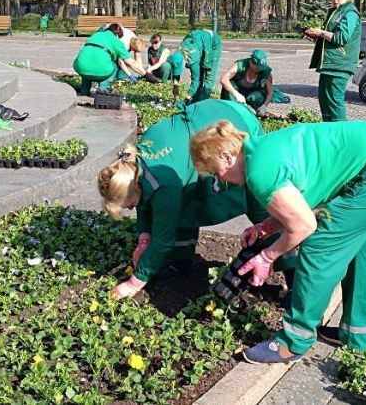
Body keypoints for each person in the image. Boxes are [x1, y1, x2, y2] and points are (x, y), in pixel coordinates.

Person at [190, 120, 366, 363]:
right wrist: (267, 226)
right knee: (359, 249)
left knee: (320, 246)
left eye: (215, 172)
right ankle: (355, 336)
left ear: (226, 157)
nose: (220, 179)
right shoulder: (262, 150)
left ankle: (293, 342)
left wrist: (267, 257)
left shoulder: (258, 171)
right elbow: (301, 204)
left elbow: (305, 226)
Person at [99, 99, 296, 299]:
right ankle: (182, 262)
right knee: (186, 202)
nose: (133, 209)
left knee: (259, 202)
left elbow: (162, 239)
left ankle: (294, 279)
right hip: (208, 113)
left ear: (136, 187)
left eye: (129, 205)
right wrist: (143, 238)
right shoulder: (134, 162)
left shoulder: (165, 186)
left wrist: (134, 282)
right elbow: (143, 202)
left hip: (230, 126)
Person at [305, 0, 361, 122]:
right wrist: (316, 37)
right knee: (324, 99)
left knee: (335, 101)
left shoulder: (350, 13)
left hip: (340, 64)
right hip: (329, 64)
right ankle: (328, 129)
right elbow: (330, 37)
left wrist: (321, 32)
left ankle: (340, 133)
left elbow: (341, 38)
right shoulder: (335, 12)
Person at [73, 23, 146, 95]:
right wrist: (145, 74)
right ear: (117, 35)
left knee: (87, 64)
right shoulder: (118, 41)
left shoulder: (96, 34)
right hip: (100, 69)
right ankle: (103, 88)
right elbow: (126, 62)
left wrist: (141, 70)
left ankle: (84, 90)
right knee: (113, 65)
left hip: (79, 67)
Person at [220, 50, 273, 117]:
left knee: (257, 96)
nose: (260, 69)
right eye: (257, 67)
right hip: (237, 92)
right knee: (230, 86)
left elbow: (270, 92)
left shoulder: (266, 72)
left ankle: (257, 113)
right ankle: (233, 111)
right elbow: (223, 79)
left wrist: (264, 106)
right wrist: (236, 94)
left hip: (252, 94)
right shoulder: (240, 65)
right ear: (251, 63)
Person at [179, 29, 223, 104]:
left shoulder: (193, 57)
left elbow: (196, 81)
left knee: (209, 77)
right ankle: (195, 99)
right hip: (201, 46)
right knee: (198, 74)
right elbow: (195, 79)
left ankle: (203, 102)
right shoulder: (184, 48)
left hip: (213, 46)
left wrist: (188, 97)